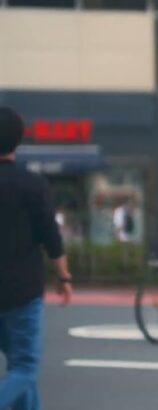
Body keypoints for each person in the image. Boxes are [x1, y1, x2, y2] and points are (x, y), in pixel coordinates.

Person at [0, 107, 73, 410]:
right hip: (22, 292)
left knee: (22, 375)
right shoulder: (33, 184)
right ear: (18, 140)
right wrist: (64, 277)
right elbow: (50, 236)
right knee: (24, 367)